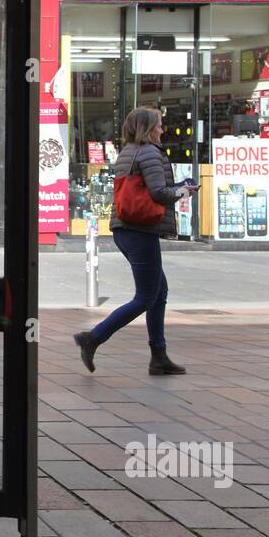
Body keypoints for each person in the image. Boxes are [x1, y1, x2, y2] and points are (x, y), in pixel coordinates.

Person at [73, 107, 197, 376]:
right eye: (159, 125)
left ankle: (159, 356)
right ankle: (93, 337)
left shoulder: (127, 152)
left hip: (126, 229)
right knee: (146, 296)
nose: (163, 130)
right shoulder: (150, 152)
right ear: (148, 128)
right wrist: (184, 191)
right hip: (140, 230)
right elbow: (159, 193)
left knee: (158, 292)